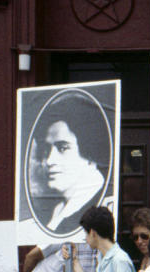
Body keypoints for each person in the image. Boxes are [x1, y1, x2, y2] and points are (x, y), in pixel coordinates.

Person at [30, 92, 111, 235]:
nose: (49, 161)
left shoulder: (100, 204)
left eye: (63, 148)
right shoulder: (57, 209)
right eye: (47, 149)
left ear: (90, 153)